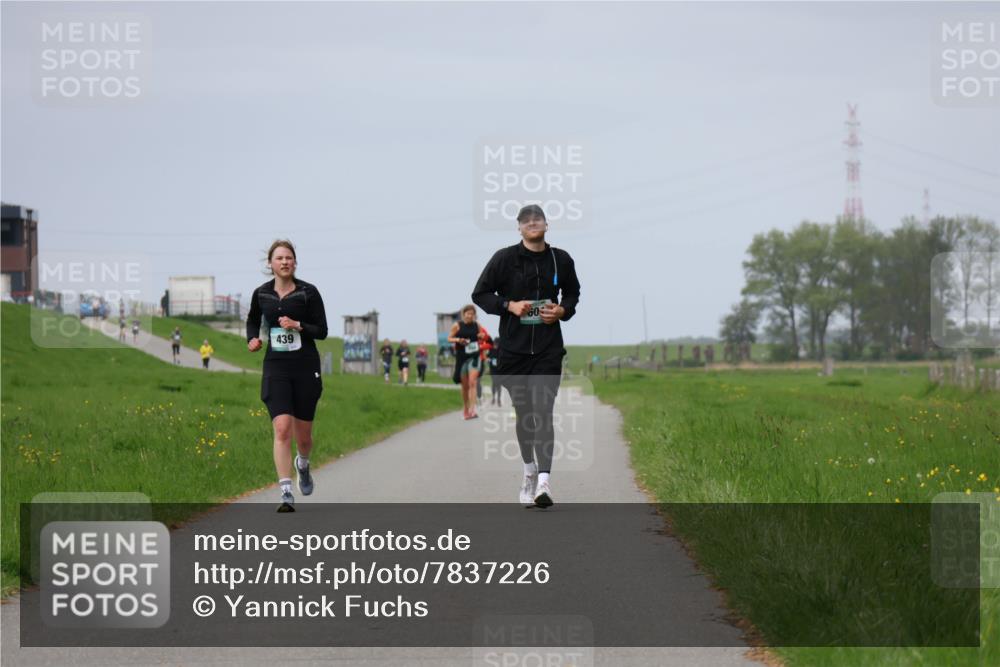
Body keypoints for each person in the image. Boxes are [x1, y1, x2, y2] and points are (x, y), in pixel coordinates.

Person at [472, 203, 581, 508]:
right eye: (526, 220)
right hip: (514, 351)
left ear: (547, 225)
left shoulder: (561, 260)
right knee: (525, 415)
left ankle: (544, 483)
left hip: (547, 349)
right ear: (519, 227)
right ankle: (529, 471)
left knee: (543, 411)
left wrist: (562, 310)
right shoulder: (504, 259)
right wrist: (509, 306)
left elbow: (572, 293)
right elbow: (480, 294)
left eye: (538, 219)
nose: (533, 223)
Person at [247, 239, 328, 513]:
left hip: (305, 365)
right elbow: (252, 320)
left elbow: (322, 330)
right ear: (270, 263)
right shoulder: (261, 294)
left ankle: (302, 465)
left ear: (295, 262)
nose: (284, 262)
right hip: (276, 367)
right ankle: (285, 492)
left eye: (289, 258)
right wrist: (252, 339)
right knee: (282, 428)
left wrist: (298, 325)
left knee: (303, 437)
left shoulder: (309, 292)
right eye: (279, 258)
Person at [448, 305, 489, 420]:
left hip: (474, 356)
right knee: (465, 386)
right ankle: (466, 408)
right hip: (462, 358)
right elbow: (449, 338)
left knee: (473, 382)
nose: (470, 316)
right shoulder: (457, 325)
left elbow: (483, 337)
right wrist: (458, 340)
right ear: (463, 314)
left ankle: (472, 409)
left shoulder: (477, 325)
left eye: (472, 314)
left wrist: (482, 336)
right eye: (468, 313)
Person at [488, 337, 503, 406]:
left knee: (499, 385)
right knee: (494, 383)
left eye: (497, 344)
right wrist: (488, 359)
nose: (495, 346)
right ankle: (493, 397)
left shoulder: (501, 351)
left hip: (499, 370)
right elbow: (487, 356)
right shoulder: (491, 349)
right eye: (495, 344)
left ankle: (499, 399)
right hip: (493, 370)